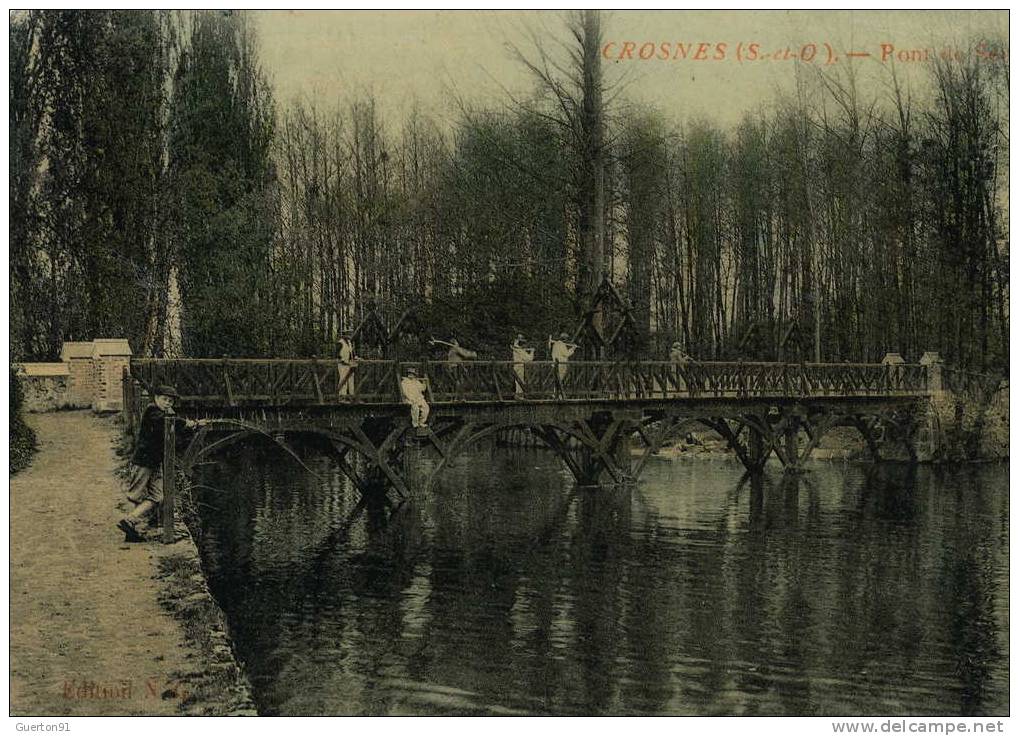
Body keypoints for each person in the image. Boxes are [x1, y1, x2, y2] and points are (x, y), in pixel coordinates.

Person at [118, 385, 203, 542]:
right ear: (156, 398)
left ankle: (131, 521)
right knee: (135, 495)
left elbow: (174, 435)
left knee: (158, 496)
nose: (167, 403)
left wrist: (193, 427)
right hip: (143, 462)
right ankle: (131, 525)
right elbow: (167, 421)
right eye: (164, 400)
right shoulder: (152, 412)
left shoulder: (164, 415)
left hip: (155, 463)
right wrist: (186, 422)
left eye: (170, 402)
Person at [549, 332, 578, 397]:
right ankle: (557, 394)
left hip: (556, 364)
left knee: (558, 379)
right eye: (566, 339)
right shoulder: (561, 345)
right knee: (560, 379)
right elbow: (566, 354)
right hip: (561, 365)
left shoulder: (555, 344)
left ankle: (556, 393)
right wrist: (573, 348)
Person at [511, 334, 535, 399]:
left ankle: (519, 395)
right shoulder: (518, 350)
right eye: (522, 342)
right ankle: (519, 396)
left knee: (518, 381)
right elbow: (529, 359)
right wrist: (532, 352)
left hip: (517, 366)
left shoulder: (517, 349)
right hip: (519, 366)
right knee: (520, 381)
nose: (523, 344)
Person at [337, 331, 356, 398]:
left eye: (349, 334)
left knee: (351, 379)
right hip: (342, 364)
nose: (349, 336)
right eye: (347, 334)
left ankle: (351, 395)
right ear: (344, 335)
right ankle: (342, 396)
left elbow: (351, 353)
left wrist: (355, 357)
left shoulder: (349, 343)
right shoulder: (340, 343)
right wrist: (341, 360)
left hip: (349, 364)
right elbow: (336, 353)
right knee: (343, 379)